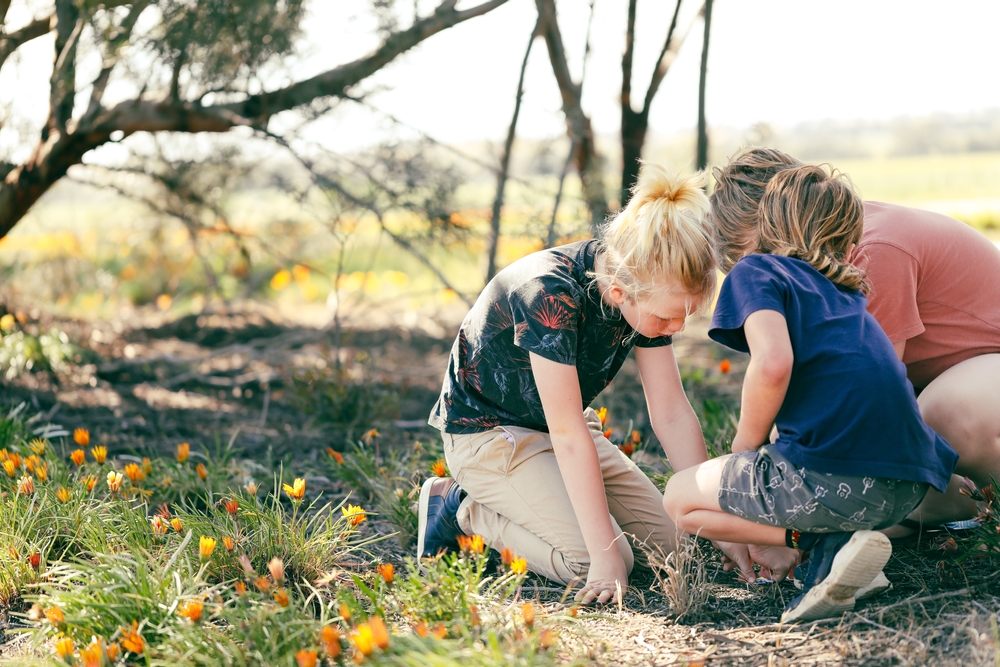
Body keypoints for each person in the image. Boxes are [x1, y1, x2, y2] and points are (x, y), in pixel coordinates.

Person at [662, 165, 958, 622]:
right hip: (905, 489)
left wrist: (744, 447)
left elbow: (773, 363)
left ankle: (815, 542)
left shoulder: (754, 271)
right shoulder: (846, 290)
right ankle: (838, 553)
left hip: (840, 481)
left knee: (679, 499)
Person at [419, 164, 716, 605]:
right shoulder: (548, 293)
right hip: (490, 439)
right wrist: (606, 557)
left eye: (687, 313)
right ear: (619, 292)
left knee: (683, 548)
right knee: (593, 562)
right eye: (668, 316)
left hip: (562, 431)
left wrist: (713, 519)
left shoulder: (647, 289)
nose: (678, 325)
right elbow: (566, 435)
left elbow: (671, 411)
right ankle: (461, 507)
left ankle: (553, 507)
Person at [711, 148, 1000, 542]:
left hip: (988, 370)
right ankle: (913, 512)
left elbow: (860, 393)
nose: (765, 269)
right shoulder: (827, 250)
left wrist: (772, 469)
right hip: (958, 372)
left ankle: (961, 502)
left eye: (762, 252)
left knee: (933, 422)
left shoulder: (871, 251)